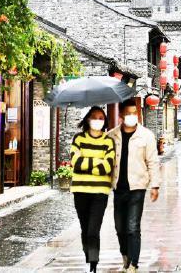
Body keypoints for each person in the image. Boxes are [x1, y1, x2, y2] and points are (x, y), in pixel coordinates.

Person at [108, 99, 160, 272]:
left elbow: (152, 161)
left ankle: (134, 265)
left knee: (132, 226)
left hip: (137, 187)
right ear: (121, 115)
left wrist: (155, 185)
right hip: (118, 188)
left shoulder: (146, 135)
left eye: (134, 113)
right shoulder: (112, 136)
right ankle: (126, 257)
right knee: (119, 228)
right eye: (128, 113)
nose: (132, 116)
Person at [70, 106, 115, 273]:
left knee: (93, 230)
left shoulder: (108, 141)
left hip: (100, 192)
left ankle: (94, 262)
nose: (98, 120)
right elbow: (76, 162)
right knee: (85, 228)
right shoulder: (78, 138)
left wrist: (87, 163)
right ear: (88, 119)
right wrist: (97, 163)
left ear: (105, 121)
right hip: (80, 190)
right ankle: (88, 254)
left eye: (101, 118)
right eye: (94, 117)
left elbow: (107, 166)